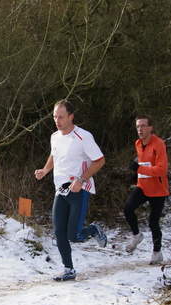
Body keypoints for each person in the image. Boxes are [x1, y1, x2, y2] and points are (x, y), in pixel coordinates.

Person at [35, 99, 107, 281]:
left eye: (61, 117)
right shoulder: (54, 137)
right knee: (59, 232)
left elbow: (100, 160)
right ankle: (69, 269)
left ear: (71, 117)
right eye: (54, 117)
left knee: (73, 235)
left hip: (78, 190)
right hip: (61, 190)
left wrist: (81, 180)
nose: (57, 121)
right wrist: (45, 170)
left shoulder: (83, 137)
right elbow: (54, 154)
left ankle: (93, 230)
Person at [123, 114, 169, 264]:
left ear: (151, 128)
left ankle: (157, 253)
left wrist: (139, 169)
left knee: (153, 223)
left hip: (158, 188)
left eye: (143, 126)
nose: (140, 129)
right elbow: (145, 165)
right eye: (137, 126)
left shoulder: (159, 144)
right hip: (143, 186)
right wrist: (136, 175)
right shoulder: (138, 143)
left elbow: (161, 170)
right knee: (128, 209)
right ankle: (136, 235)